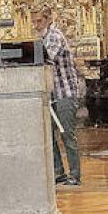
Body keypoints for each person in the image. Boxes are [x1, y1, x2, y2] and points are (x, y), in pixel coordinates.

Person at [43, 15, 82, 186]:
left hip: (64, 94)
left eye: (38, 20)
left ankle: (74, 174)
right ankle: (59, 172)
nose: (35, 24)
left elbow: (47, 58)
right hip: (51, 96)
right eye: (33, 20)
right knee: (49, 135)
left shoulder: (54, 35)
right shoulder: (43, 37)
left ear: (47, 19)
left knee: (67, 135)